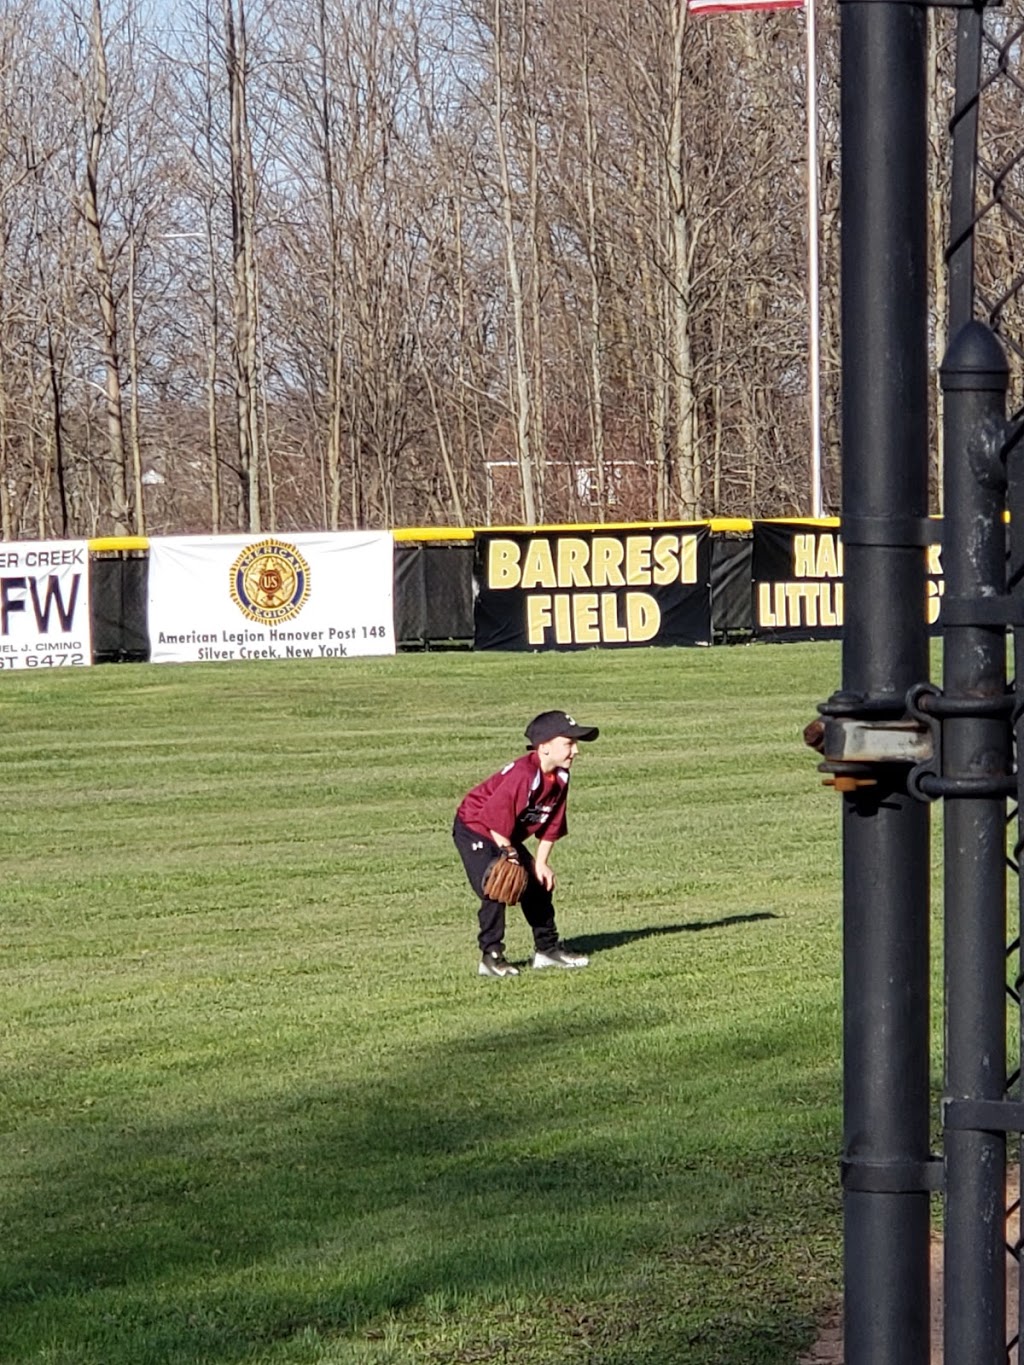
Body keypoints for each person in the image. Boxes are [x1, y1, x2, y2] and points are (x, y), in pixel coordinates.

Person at [453, 709, 599, 977]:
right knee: (496, 883)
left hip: (501, 832)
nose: (575, 751)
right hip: (476, 828)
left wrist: (541, 863)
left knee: (537, 883)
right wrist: (509, 854)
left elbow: (552, 823)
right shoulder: (524, 775)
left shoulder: (560, 777)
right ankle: (491, 956)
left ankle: (547, 951)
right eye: (568, 743)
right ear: (544, 748)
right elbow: (494, 819)